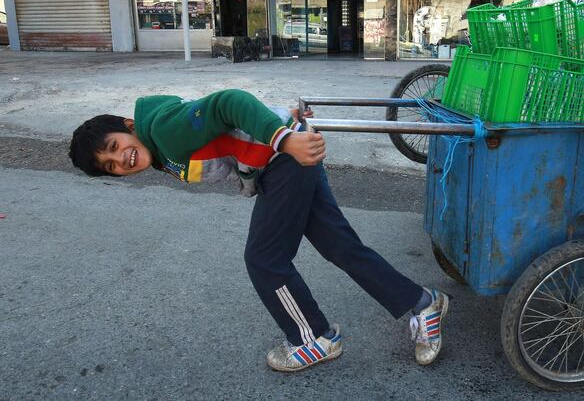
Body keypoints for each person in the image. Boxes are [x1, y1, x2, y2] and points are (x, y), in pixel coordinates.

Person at [68, 89, 449, 372]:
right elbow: (229, 131)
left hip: (284, 159)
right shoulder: (157, 143)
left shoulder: (164, 132)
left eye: (116, 146)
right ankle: (422, 303)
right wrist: (281, 119)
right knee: (339, 246)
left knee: (265, 260)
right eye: (112, 166)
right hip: (283, 159)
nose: (122, 159)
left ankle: (313, 338)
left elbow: (227, 103)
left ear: (129, 126)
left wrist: (283, 136)